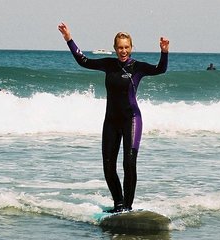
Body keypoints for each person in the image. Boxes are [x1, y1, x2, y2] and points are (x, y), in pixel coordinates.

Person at [58, 22, 169, 212]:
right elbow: (83, 61)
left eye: (126, 47)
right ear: (115, 48)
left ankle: (127, 207)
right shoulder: (108, 65)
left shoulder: (138, 67)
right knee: (108, 167)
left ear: (131, 48)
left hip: (131, 120)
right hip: (111, 121)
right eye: (120, 47)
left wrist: (164, 52)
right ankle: (118, 204)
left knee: (129, 163)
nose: (123, 51)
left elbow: (160, 69)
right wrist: (69, 39)